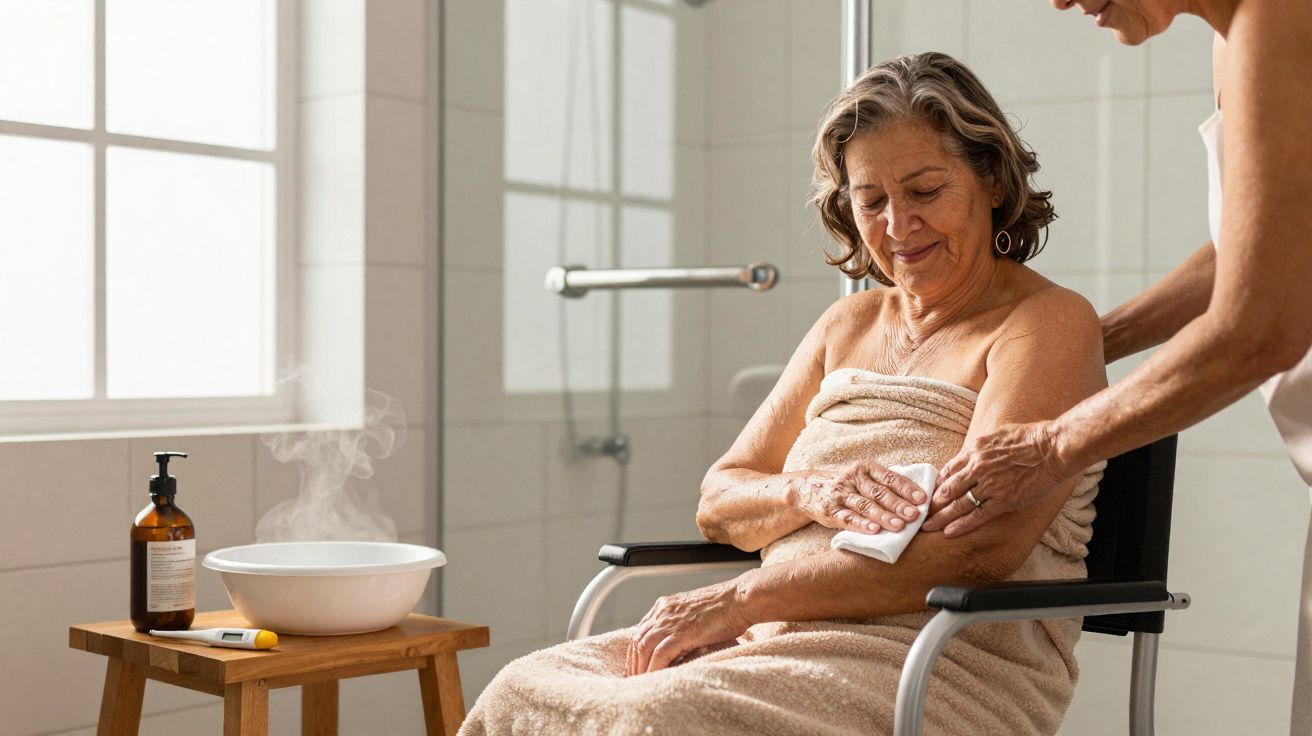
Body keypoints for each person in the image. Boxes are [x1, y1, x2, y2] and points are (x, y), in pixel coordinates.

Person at [460, 52, 1106, 736]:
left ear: (992, 181)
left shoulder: (1045, 323)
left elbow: (979, 549)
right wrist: (808, 491)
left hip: (939, 662)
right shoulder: (846, 324)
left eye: (924, 190)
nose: (896, 225)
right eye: (872, 201)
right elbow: (721, 500)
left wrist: (735, 600)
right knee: (524, 689)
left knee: (655, 717)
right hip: (773, 643)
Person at [920, 1, 1312, 732]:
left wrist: (1051, 442)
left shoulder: (1284, 16)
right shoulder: (1238, 38)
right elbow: (1259, 244)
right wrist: (1075, 342)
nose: (1061, 1)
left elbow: (1260, 327)